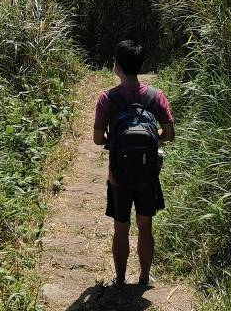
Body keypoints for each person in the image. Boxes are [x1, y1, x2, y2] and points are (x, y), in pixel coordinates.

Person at [93, 39, 174, 289]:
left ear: (116, 66)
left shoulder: (107, 98)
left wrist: (115, 142)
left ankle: (119, 279)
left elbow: (97, 139)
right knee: (146, 226)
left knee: (121, 228)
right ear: (140, 66)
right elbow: (169, 134)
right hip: (147, 175)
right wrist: (151, 141)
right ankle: (144, 278)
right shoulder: (155, 96)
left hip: (118, 176)